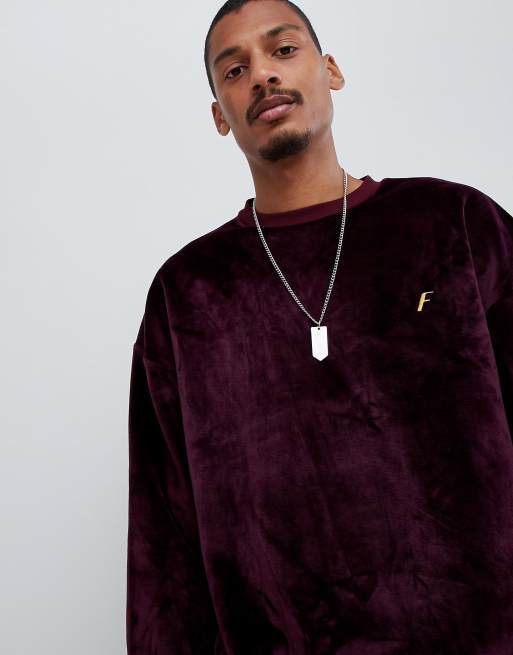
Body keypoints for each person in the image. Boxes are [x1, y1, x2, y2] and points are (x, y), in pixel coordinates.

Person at [126, 1, 513, 653]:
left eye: (283, 50)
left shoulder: (455, 225)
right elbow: (164, 543)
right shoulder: (186, 293)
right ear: (220, 115)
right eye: (234, 70)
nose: (262, 75)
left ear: (330, 70)